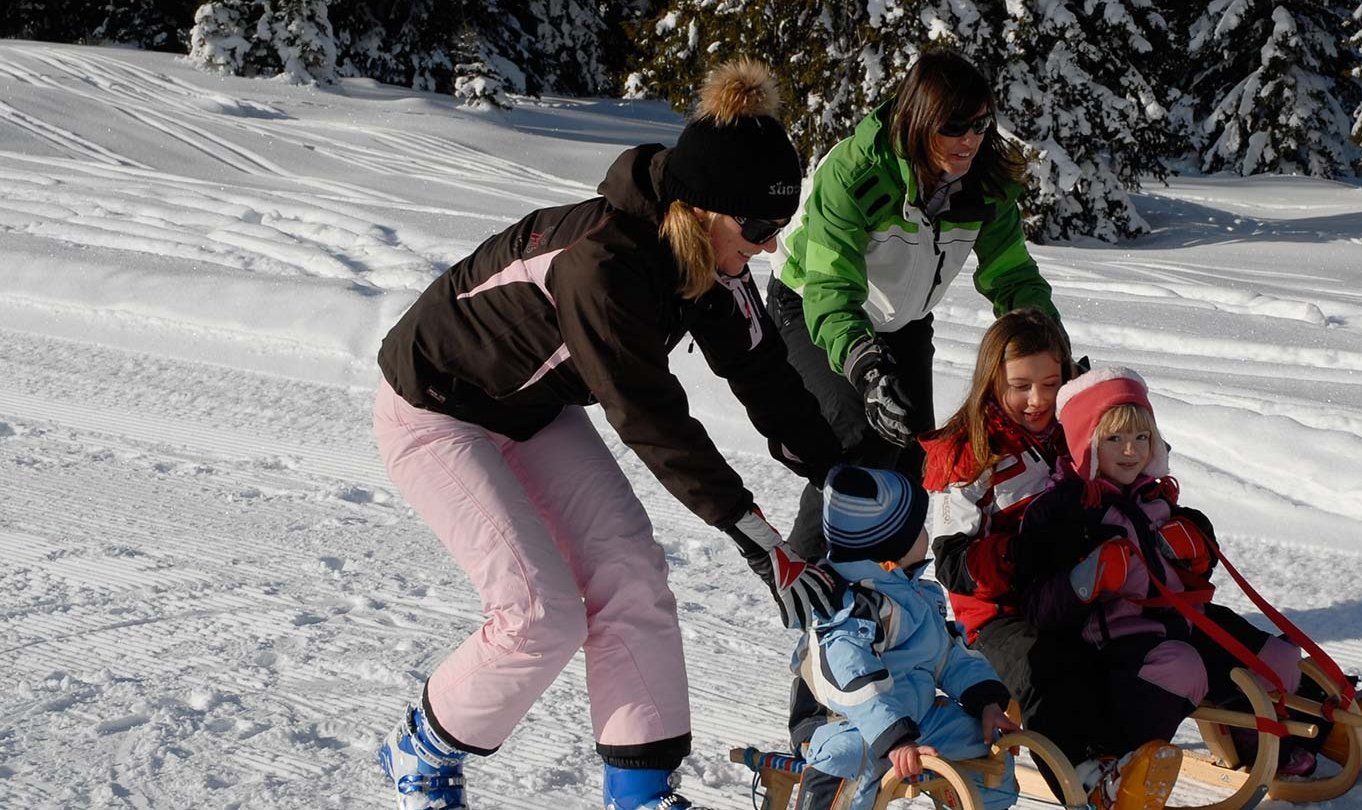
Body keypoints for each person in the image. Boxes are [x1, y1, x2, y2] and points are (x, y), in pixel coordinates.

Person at [371, 60, 845, 810]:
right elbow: (647, 415)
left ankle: (641, 794)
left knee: (632, 573)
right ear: (701, 210)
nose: (770, 247)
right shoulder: (600, 264)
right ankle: (420, 753)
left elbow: (761, 371)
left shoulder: (706, 257)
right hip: (436, 413)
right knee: (540, 612)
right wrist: (754, 533)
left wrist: (836, 468)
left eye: (778, 227)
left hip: (530, 415)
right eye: (758, 228)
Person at [766, 48, 1060, 561]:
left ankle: (889, 587)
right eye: (954, 126)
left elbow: (1011, 275)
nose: (970, 139)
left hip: (902, 321)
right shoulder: (857, 173)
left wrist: (1052, 349)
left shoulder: (985, 184)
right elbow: (831, 290)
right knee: (856, 444)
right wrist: (868, 371)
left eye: (981, 125)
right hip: (810, 304)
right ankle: (809, 579)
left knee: (917, 455)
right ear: (919, 120)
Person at [919, 311, 1181, 810]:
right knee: (1048, 666)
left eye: (1050, 383)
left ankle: (1140, 749)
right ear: (992, 380)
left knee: (1160, 633)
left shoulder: (1074, 427)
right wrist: (1020, 554)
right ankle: (1086, 777)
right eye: (1020, 386)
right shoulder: (969, 453)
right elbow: (953, 563)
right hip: (1002, 614)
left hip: (1080, 589)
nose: (1037, 400)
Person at [1018, 366, 1322, 782]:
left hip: (1184, 621)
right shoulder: (1063, 511)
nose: (1131, 451)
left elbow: (1197, 563)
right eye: (1115, 439)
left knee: (1279, 659)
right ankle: (1126, 765)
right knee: (1179, 666)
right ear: (1086, 443)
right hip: (1114, 644)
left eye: (1141, 438)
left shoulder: (1155, 495)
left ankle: (1259, 743)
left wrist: (1197, 550)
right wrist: (1085, 580)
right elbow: (1038, 606)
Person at [789, 465, 1022, 810]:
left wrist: (984, 699)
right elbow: (854, 682)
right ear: (890, 547)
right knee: (850, 757)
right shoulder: (851, 608)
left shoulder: (914, 595)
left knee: (983, 738)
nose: (926, 534)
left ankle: (984, 803)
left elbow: (948, 654)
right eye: (918, 529)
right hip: (847, 723)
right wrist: (894, 739)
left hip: (916, 719)